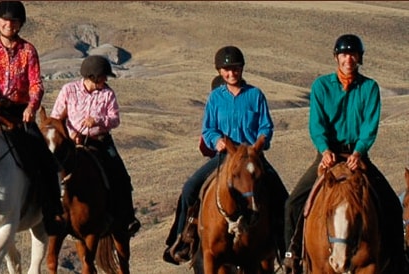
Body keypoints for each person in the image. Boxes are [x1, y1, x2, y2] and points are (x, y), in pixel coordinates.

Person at [283, 34, 408, 274]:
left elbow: (370, 125)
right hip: (328, 154)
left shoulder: (369, 87)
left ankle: (398, 260)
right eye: (343, 54)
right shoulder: (321, 86)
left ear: (359, 58)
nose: (348, 59)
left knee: (391, 203)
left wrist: (360, 151)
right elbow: (316, 124)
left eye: (352, 54)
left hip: (357, 156)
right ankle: (293, 255)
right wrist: (324, 150)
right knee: (293, 203)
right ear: (336, 57)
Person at [163, 46, 288, 264]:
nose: (231, 74)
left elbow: (266, 126)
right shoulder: (215, 98)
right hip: (225, 157)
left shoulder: (255, 95)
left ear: (242, 69)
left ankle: (286, 249)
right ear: (220, 71)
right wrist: (216, 140)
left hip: (251, 158)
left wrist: (260, 142)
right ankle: (181, 240)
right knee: (190, 188)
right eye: (226, 70)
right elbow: (208, 128)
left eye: (235, 69)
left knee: (282, 197)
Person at [0, 1, 65, 235]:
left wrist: (31, 107)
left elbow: (36, 84)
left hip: (20, 114)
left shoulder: (28, 50)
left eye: (14, 21)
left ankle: (52, 211)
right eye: (4, 20)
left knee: (45, 158)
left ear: (20, 24)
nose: (8, 24)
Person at [49, 55, 141, 237]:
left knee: (121, 174)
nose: (106, 80)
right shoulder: (68, 90)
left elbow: (115, 120)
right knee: (51, 169)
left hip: (99, 140)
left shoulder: (108, 94)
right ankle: (51, 213)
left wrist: (98, 120)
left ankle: (127, 218)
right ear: (92, 77)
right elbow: (56, 117)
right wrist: (69, 134)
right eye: (103, 77)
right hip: (72, 142)